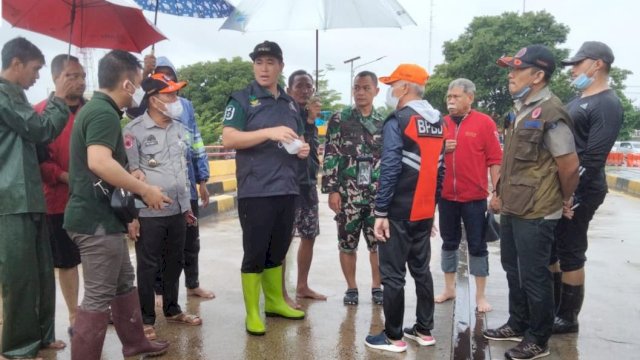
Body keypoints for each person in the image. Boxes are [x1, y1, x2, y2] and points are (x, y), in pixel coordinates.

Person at [63, 50, 170, 359]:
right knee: (97, 297)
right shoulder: (102, 113)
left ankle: (136, 343)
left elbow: (105, 163)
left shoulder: (99, 110)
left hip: (103, 219)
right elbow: (98, 162)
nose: (139, 90)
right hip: (94, 223)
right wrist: (144, 189)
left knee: (124, 282)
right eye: (138, 83)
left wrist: (129, 173)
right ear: (126, 84)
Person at [483, 45, 579, 360]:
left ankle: (538, 338)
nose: (510, 74)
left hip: (538, 209)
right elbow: (511, 161)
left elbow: (568, 164)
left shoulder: (552, 112)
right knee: (512, 268)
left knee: (535, 275)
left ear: (537, 75)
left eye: (517, 69)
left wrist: (564, 199)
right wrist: (497, 194)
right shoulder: (519, 109)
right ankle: (518, 322)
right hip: (512, 204)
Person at [221, 41, 309, 336]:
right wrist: (268, 132)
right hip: (255, 189)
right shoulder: (241, 99)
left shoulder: (289, 102)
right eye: (259, 62)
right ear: (253, 66)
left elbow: (295, 138)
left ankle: (274, 303)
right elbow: (229, 139)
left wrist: (301, 149)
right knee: (255, 252)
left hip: (287, 186)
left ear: (280, 66)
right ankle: (252, 313)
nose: (264, 68)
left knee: (278, 250)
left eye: (270, 62)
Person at [364, 64, 444, 353]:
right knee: (421, 270)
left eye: (393, 84)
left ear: (406, 87)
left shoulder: (398, 120)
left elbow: (390, 169)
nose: (390, 90)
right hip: (423, 210)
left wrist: (381, 212)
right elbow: (440, 170)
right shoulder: (437, 122)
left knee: (393, 275)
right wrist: (431, 209)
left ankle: (393, 336)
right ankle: (424, 330)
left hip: (398, 210)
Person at [0, 36, 71, 360]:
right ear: (16, 64)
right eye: (35, 69)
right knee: (19, 278)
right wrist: (58, 98)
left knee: (42, 272)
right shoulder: (4, 95)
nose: (36, 76)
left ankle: (42, 336)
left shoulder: (15, 97)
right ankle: (18, 348)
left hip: (28, 196)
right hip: (10, 200)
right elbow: (40, 130)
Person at [124, 73, 203, 341]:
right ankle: (146, 318)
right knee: (147, 266)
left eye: (176, 94)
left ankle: (172, 309)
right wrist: (132, 216)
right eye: (170, 95)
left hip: (178, 210)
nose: (175, 100)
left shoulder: (180, 128)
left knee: (175, 262)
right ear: (153, 100)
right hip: (149, 212)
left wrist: (186, 206)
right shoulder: (133, 131)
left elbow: (183, 169)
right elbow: (131, 175)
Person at [550, 41, 623, 334]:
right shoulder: (576, 98)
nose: (573, 71)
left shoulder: (607, 103)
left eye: (578, 64)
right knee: (553, 247)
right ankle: (553, 306)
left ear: (597, 64)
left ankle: (568, 316)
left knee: (571, 247)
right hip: (561, 187)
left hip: (583, 188)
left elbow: (593, 156)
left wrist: (572, 194)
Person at [434, 78, 502, 313]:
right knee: (448, 242)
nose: (451, 101)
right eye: (449, 97)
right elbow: (427, 157)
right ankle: (449, 288)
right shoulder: (440, 124)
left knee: (477, 245)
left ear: (470, 98)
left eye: (456, 97)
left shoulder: (484, 123)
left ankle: (480, 296)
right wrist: (442, 148)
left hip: (474, 198)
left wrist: (497, 192)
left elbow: (495, 160)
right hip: (446, 197)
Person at [321, 71, 384, 306]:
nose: (360, 92)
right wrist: (332, 190)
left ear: (376, 91)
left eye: (366, 88)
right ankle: (352, 287)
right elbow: (331, 153)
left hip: (376, 193)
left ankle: (377, 286)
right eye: (356, 87)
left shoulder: (384, 121)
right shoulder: (340, 118)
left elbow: (389, 158)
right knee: (347, 242)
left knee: (377, 242)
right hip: (348, 192)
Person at [35, 54, 87, 336]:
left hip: (93, 200)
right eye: (71, 76)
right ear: (55, 78)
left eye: (81, 76)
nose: (79, 82)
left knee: (96, 257)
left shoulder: (93, 110)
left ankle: (97, 309)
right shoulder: (39, 113)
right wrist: (66, 177)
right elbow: (40, 161)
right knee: (67, 261)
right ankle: (74, 315)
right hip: (58, 202)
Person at [285, 70, 326, 304]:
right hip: (289, 184)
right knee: (284, 238)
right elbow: (296, 146)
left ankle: (302, 285)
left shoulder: (311, 115)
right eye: (299, 85)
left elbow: (311, 147)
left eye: (308, 86)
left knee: (309, 235)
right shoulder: (286, 112)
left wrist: (311, 120)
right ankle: (281, 291)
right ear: (290, 89)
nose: (304, 90)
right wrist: (306, 121)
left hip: (308, 184)